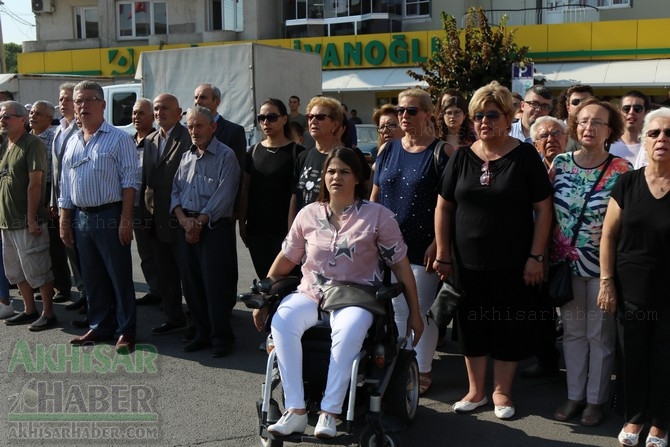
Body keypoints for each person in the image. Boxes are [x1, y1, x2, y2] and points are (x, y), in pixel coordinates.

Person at [252, 147, 424, 439]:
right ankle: (295, 410)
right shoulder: (309, 214)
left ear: (358, 177)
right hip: (311, 292)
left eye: (344, 171)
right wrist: (264, 297)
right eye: (331, 171)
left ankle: (330, 413)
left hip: (356, 296)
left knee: (349, 328)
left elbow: (401, 266)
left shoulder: (377, 216)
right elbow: (286, 259)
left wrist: (415, 314)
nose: (336, 177)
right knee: (282, 322)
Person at [433, 81, 553, 420]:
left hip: (515, 263)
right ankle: (475, 390)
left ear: (507, 116)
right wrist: (443, 253)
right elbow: (444, 206)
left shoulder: (525, 155)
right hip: (466, 262)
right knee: (470, 325)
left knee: (507, 325)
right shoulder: (461, 157)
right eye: (478, 116)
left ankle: (501, 392)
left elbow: (544, 209)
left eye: (492, 114)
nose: (484, 121)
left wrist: (536, 256)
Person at [550, 98, 632, 426]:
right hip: (564, 266)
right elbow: (543, 211)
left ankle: (595, 400)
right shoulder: (560, 163)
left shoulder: (622, 170)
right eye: (583, 121)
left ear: (610, 130)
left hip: (603, 267)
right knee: (572, 332)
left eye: (597, 122)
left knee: (599, 334)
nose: (589, 127)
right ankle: (574, 395)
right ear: (574, 125)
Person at [370, 88, 449, 395]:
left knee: (420, 310)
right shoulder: (388, 149)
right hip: (385, 245)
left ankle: (422, 368)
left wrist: (440, 244)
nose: (403, 116)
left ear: (428, 114)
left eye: (411, 111)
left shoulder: (442, 152)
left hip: (423, 246)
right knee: (394, 309)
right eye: (400, 110)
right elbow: (374, 197)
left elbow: (449, 204)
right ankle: (401, 364)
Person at [599, 107, 670, 447]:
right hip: (630, 290)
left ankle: (660, 422)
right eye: (655, 133)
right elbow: (608, 236)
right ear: (644, 140)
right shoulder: (627, 182)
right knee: (633, 356)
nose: (662, 139)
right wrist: (607, 281)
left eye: (669, 134)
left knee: (665, 356)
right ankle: (635, 416)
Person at [60, 81, 140, 354]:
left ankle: (126, 330)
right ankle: (99, 324)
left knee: (118, 276)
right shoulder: (72, 142)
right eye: (78, 101)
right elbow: (65, 186)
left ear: (102, 104)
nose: (82, 106)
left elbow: (130, 181)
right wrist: (64, 220)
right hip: (82, 218)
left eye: (89, 100)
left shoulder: (119, 138)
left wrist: (126, 219)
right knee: (92, 277)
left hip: (110, 214)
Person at [170, 106, 240, 358]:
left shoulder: (226, 156)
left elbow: (224, 194)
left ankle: (221, 337)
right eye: (190, 126)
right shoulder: (186, 155)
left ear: (213, 127)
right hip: (186, 225)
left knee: (215, 285)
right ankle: (200, 333)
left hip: (212, 229)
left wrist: (198, 222)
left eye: (199, 125)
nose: (193, 131)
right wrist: (183, 220)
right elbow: (176, 191)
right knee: (192, 286)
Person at [520, 116, 569, 379]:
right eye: (543, 136)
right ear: (535, 143)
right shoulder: (528, 167)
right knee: (539, 309)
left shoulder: (575, 166)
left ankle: (578, 366)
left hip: (570, 251)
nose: (551, 139)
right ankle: (546, 359)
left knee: (571, 308)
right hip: (534, 248)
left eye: (557, 133)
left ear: (566, 138)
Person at [0, 100, 57, 331]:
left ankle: (48, 313)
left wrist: (32, 217)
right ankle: (29, 310)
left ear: (21, 120)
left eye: (6, 117)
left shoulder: (32, 144)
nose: (2, 120)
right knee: (15, 271)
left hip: (26, 221)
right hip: (7, 222)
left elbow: (35, 184)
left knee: (38, 269)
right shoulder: (7, 144)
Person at [141, 94, 190, 335]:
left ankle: (199, 320)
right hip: (154, 218)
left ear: (179, 112)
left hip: (180, 216)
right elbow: (146, 182)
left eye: (165, 108)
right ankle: (173, 316)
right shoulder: (150, 140)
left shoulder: (188, 137)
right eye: (157, 108)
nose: (159, 112)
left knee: (188, 273)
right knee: (165, 272)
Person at [239, 98, 305, 279]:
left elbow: (299, 195)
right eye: (261, 118)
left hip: (285, 231)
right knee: (265, 281)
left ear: (284, 119)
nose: (265, 122)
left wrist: (294, 231)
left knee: (287, 283)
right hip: (257, 229)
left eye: (271, 117)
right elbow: (246, 189)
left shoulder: (297, 153)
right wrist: (242, 222)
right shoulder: (252, 151)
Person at [29, 100, 72, 303]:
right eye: (32, 113)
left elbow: (57, 172)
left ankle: (62, 287)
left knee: (55, 243)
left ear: (49, 118)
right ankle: (43, 285)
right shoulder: (29, 138)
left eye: (38, 113)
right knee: (37, 243)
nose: (33, 116)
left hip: (48, 192)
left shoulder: (53, 137)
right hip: (31, 194)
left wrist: (53, 198)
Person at [52, 83, 87, 315]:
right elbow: (56, 170)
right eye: (61, 99)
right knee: (72, 251)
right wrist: (54, 200)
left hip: (80, 201)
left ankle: (93, 296)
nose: (63, 103)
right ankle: (84, 293)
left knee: (84, 252)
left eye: (67, 99)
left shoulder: (80, 129)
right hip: (62, 201)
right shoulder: (59, 129)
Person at [288, 96, 346, 227]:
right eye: (310, 117)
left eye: (320, 117)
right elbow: (295, 197)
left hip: (332, 234)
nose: (313, 121)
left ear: (335, 124)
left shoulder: (346, 157)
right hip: (303, 232)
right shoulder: (303, 156)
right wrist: (291, 232)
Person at [130, 97, 162, 307]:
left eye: (141, 113)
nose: (136, 117)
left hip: (155, 208)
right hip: (133, 207)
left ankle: (168, 293)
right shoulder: (128, 141)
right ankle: (155, 290)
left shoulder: (157, 140)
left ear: (152, 116)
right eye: (134, 113)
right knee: (145, 253)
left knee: (160, 253)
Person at [609, 90, 650, 164]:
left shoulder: (652, 146)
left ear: (646, 113)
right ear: (620, 112)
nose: (631, 112)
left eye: (637, 109)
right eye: (626, 109)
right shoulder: (607, 143)